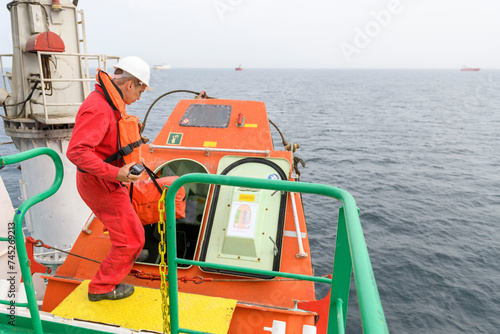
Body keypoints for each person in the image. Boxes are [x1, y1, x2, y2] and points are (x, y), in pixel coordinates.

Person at [67, 56, 151, 301]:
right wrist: (117, 173)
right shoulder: (100, 107)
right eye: (141, 91)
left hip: (106, 179)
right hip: (100, 183)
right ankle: (102, 288)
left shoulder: (110, 101)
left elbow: (110, 140)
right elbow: (77, 151)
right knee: (131, 238)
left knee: (130, 229)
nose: (139, 97)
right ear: (130, 85)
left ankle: (129, 253)